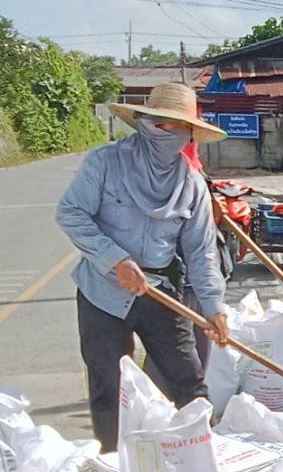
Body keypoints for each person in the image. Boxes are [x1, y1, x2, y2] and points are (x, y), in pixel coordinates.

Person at [56, 83, 231, 451]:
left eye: (179, 127)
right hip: (102, 293)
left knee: (190, 384)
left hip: (160, 293)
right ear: (144, 122)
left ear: (189, 133)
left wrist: (213, 307)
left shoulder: (192, 184)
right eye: (162, 124)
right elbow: (71, 213)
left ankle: (208, 458)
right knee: (109, 388)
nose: (169, 133)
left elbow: (201, 252)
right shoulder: (105, 163)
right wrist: (116, 260)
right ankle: (115, 462)